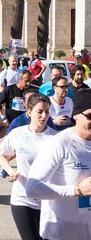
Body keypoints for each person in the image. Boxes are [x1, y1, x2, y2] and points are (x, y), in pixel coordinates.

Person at [26, 88, 91, 240]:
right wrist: (76, 191)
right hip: (61, 234)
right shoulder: (59, 143)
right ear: (76, 115)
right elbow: (32, 188)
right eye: (90, 116)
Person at [0, 93, 57, 240]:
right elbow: (1, 155)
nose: (44, 116)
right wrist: (10, 170)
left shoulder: (55, 138)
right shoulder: (18, 134)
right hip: (22, 198)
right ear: (29, 112)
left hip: (48, 200)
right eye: (40, 111)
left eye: (47, 112)